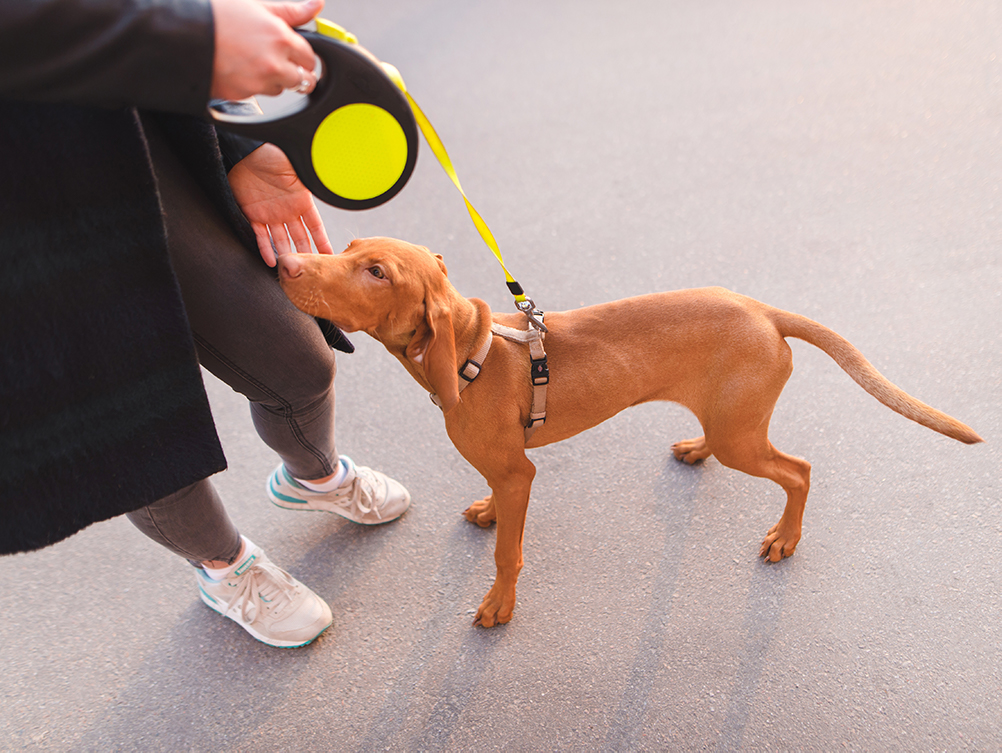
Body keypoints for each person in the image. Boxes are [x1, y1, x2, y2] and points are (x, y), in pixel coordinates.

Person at [0, 0, 410, 648]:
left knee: (296, 362)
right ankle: (225, 566)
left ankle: (314, 476)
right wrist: (191, 38)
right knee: (139, 441)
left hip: (124, 136)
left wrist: (231, 139)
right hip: (18, 219)